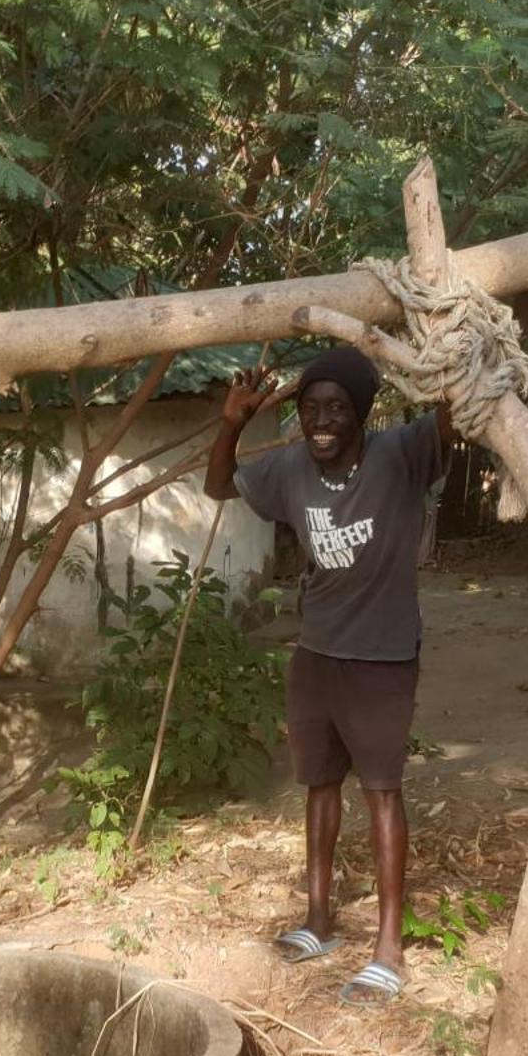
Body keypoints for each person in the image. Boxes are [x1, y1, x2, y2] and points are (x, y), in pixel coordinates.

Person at [204, 347, 451, 1005]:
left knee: (382, 793)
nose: (321, 420)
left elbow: (455, 418)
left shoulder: (400, 457)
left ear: (361, 415)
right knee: (318, 785)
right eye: (311, 408)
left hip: (383, 655)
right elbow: (218, 484)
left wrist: (463, 354)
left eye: (337, 408)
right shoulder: (289, 467)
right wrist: (231, 423)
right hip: (316, 652)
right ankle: (318, 920)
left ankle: (389, 949)